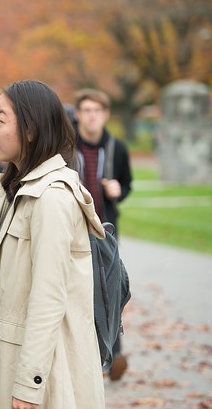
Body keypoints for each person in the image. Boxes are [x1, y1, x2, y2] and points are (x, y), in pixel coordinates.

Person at [0, 80, 106, 408]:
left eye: (0, 121)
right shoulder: (16, 187)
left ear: (30, 130)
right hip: (7, 355)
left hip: (46, 373)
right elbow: (14, 266)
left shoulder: (52, 197)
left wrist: (29, 386)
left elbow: (49, 296)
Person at [74, 88, 133, 381]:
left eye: (97, 110)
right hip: (74, 230)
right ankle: (86, 354)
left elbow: (127, 184)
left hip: (106, 231)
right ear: (78, 115)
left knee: (110, 288)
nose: (92, 115)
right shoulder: (66, 145)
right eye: (86, 110)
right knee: (80, 290)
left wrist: (118, 191)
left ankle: (113, 352)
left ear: (105, 115)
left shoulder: (117, 148)